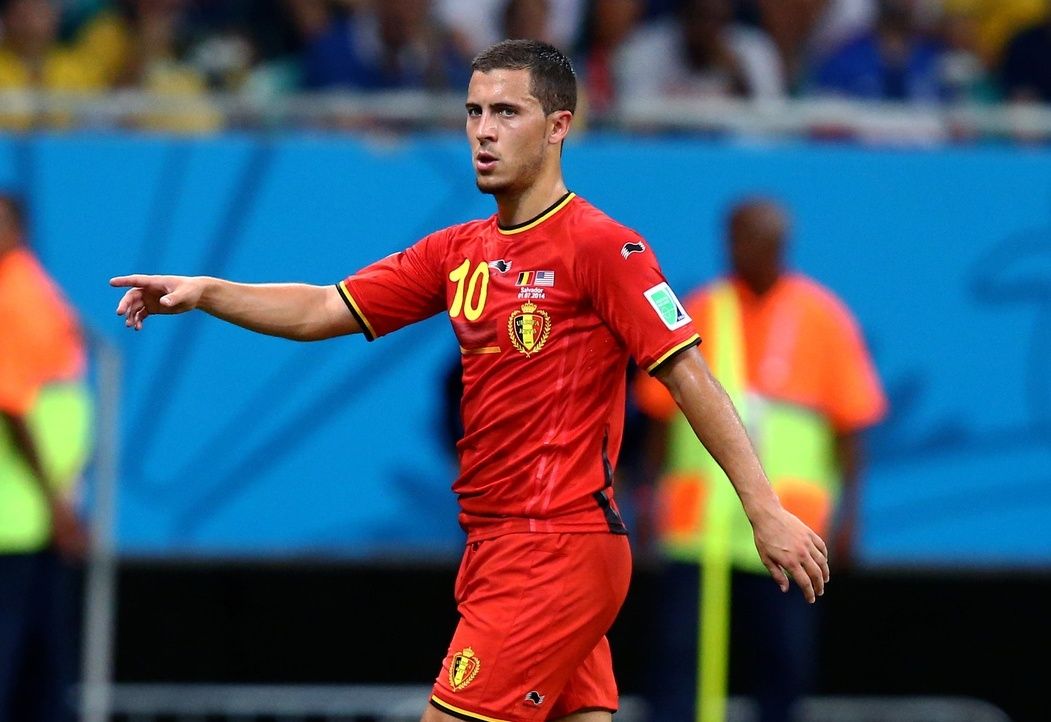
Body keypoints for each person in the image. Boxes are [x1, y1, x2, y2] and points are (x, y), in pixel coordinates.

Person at [111, 39, 829, 722]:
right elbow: (324, 307)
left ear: (557, 127)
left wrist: (761, 509)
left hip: (554, 548)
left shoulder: (604, 247)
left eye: (506, 112)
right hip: (496, 545)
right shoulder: (459, 251)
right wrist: (208, 291)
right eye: (473, 112)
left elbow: (688, 375)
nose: (482, 132)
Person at [633, 197, 887, 722]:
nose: (738, 249)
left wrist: (850, 518)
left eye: (749, 238)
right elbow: (657, 420)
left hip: (793, 535)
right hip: (699, 533)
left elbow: (850, 428)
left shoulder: (824, 319)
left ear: (778, 244)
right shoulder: (700, 310)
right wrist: (644, 505)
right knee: (678, 666)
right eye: (732, 237)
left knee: (784, 666)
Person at [0, 193, 93, 722]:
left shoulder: (21, 292)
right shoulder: (18, 294)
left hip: (27, 514)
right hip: (20, 515)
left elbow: (29, 404)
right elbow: (14, 407)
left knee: (37, 667)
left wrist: (58, 501)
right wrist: (57, 503)